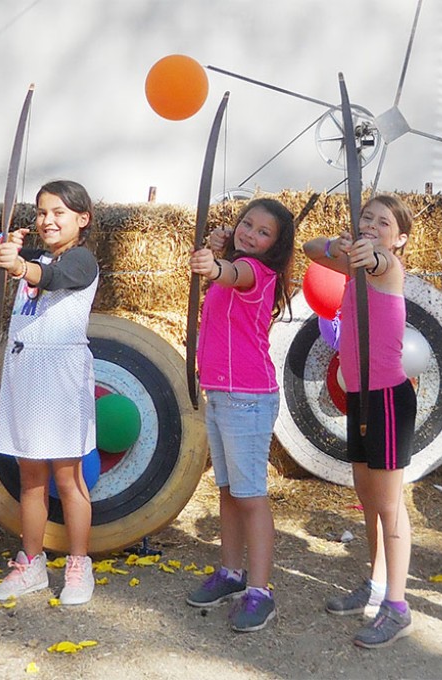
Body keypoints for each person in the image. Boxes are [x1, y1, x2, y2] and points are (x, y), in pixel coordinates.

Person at [303, 194, 416, 649]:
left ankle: (398, 605)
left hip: (388, 398)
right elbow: (311, 248)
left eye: (383, 221)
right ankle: (374, 585)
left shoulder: (386, 266)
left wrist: (368, 249)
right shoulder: (353, 261)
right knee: (369, 500)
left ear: (400, 237)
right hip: (360, 397)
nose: (371, 224)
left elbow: (379, 259)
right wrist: (341, 244)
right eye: (366, 217)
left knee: (390, 507)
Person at [0, 180, 99, 606]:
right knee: (30, 477)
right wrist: (5, 241)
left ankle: (77, 562)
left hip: (61, 372)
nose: (47, 220)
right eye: (41, 213)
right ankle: (31, 563)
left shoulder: (82, 261)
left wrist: (17, 265)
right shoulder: (38, 252)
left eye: (59, 213)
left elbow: (49, 277)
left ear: (82, 219)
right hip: (26, 367)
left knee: (67, 478)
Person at [184, 197, 295, 633]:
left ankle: (260, 590)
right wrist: (217, 255)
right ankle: (231, 574)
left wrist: (214, 266)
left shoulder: (256, 273)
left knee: (250, 495)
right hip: (224, 394)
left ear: (275, 246)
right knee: (229, 492)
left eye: (262, 232)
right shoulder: (239, 261)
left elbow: (231, 274)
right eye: (246, 224)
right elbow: (224, 270)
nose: (250, 233)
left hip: (247, 397)